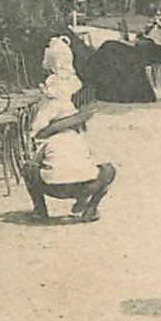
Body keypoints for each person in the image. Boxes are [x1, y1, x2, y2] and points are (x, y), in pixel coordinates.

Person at [23, 71, 116, 223]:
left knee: (29, 168)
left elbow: (35, 159)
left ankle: (40, 210)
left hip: (54, 189)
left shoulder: (48, 141)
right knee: (108, 169)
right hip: (85, 187)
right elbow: (96, 161)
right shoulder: (80, 140)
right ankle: (90, 208)